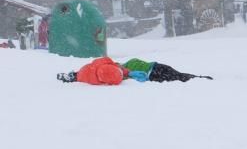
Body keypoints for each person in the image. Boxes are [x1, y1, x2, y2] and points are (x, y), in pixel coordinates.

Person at [56, 56, 212, 85]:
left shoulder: (89, 72)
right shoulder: (95, 70)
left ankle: (200, 79)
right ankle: (200, 79)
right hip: (155, 70)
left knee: (179, 77)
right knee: (179, 77)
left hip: (156, 69)